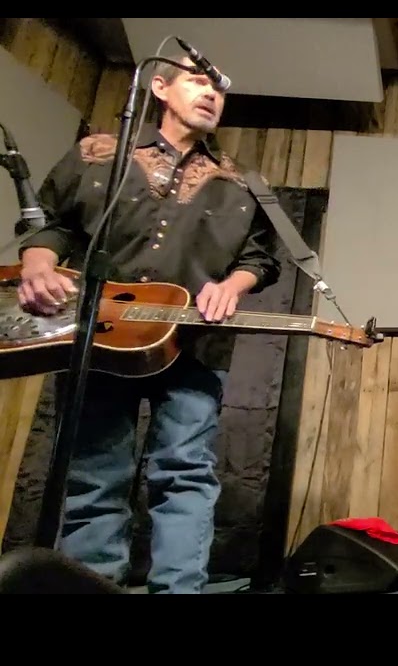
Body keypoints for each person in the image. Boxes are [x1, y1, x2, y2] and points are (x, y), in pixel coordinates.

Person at [17, 56, 281, 593]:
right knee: (93, 477)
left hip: (193, 346)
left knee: (186, 474)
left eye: (219, 89)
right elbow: (55, 224)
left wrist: (232, 286)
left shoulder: (241, 181)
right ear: (159, 87)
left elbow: (261, 259)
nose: (211, 94)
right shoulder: (98, 155)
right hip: (101, 340)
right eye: (197, 81)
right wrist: (37, 262)